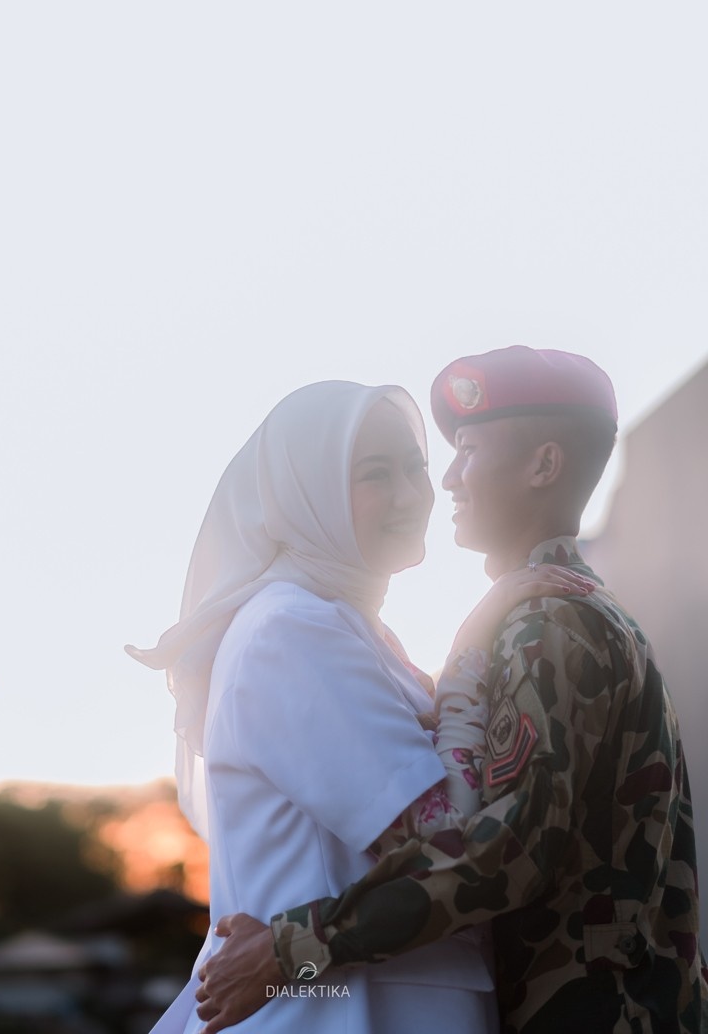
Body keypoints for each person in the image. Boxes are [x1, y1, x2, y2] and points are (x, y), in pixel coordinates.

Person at [195, 348, 708, 1034]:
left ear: (543, 466)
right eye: (381, 471)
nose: (444, 480)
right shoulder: (545, 614)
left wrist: (290, 953)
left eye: (462, 452)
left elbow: (501, 855)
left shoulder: (547, 624)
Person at [126, 378, 586, 1034]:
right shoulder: (291, 631)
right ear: (305, 493)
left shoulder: (348, 628)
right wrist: (476, 639)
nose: (412, 494)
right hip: (339, 1013)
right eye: (375, 473)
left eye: (414, 467)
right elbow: (446, 844)